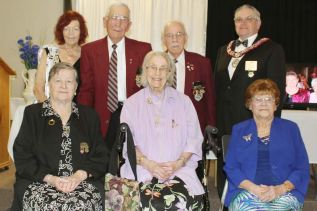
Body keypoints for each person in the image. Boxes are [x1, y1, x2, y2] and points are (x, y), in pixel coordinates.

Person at [12, 63, 109, 211]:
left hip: (82, 182)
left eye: (69, 81)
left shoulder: (89, 116)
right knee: (49, 205)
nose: (63, 86)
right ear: (49, 85)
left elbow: (101, 155)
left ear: (76, 87)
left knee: (80, 204)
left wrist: (78, 176)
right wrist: (51, 179)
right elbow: (22, 155)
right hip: (40, 181)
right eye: (58, 81)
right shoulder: (32, 114)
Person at [214, 4, 286, 196]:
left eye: (249, 18)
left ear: (258, 23)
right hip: (225, 124)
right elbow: (218, 89)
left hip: (253, 124)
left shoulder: (271, 50)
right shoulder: (224, 50)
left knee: (251, 173)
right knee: (227, 169)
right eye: (238, 19)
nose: (243, 23)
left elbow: (277, 93)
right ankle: (226, 204)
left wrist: (270, 128)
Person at [120, 51, 204, 210]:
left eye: (163, 68)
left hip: (180, 172)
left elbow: (193, 141)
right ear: (145, 70)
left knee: (179, 203)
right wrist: (151, 166)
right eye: (153, 68)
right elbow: (128, 145)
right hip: (141, 171)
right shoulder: (131, 104)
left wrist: (177, 164)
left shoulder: (184, 102)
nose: (157, 73)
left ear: (170, 72)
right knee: (144, 203)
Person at [224, 79, 310, 210]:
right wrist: (254, 189)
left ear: (275, 105)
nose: (263, 103)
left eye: (269, 99)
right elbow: (231, 168)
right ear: (249, 104)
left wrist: (280, 189)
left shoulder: (291, 129)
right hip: (246, 191)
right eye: (258, 99)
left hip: (284, 191)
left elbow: (302, 167)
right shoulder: (239, 130)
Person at [78, 3, 152, 150]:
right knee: (104, 166)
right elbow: (86, 90)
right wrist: (84, 120)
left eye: (123, 19)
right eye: (114, 18)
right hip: (101, 115)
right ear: (105, 21)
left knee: (131, 164)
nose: (118, 23)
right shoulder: (89, 51)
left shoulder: (143, 49)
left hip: (133, 115)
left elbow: (149, 88)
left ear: (129, 25)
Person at [162, 20, 216, 131]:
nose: (174, 39)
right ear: (164, 40)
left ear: (185, 38)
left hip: (192, 127)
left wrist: (211, 131)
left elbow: (209, 100)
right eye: (170, 35)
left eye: (179, 34)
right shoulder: (156, 62)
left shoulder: (202, 63)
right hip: (162, 125)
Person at [34, 10, 88, 102]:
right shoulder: (49, 52)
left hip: (79, 111)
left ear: (81, 31)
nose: (71, 33)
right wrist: (50, 111)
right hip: (50, 109)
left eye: (75, 29)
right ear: (61, 31)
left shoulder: (87, 54)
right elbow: (38, 88)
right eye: (66, 29)